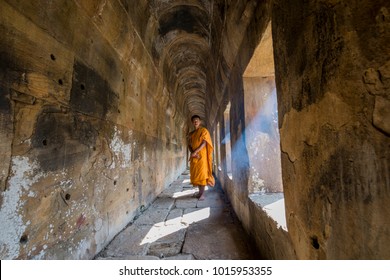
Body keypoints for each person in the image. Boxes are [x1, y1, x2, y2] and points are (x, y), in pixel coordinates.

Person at [187, 115, 215, 200]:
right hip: (195, 156)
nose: (196, 122)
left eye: (197, 120)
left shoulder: (204, 131)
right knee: (197, 175)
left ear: (200, 122)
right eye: (194, 121)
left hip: (202, 156)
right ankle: (199, 193)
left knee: (202, 174)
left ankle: (202, 194)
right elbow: (189, 145)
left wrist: (196, 152)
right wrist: (193, 152)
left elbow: (204, 143)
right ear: (192, 122)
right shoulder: (191, 134)